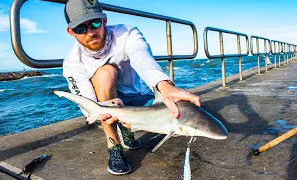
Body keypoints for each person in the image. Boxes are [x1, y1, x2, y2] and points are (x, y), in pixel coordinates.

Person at [63, 0, 200, 175]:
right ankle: (114, 146)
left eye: (95, 23)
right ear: (71, 32)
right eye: (81, 28)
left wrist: (164, 86)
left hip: (134, 98)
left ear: (104, 21)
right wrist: (103, 109)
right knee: (105, 73)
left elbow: (142, 58)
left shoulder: (127, 34)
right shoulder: (72, 63)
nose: (90, 32)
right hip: (106, 102)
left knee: (180, 108)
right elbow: (88, 103)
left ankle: (127, 128)